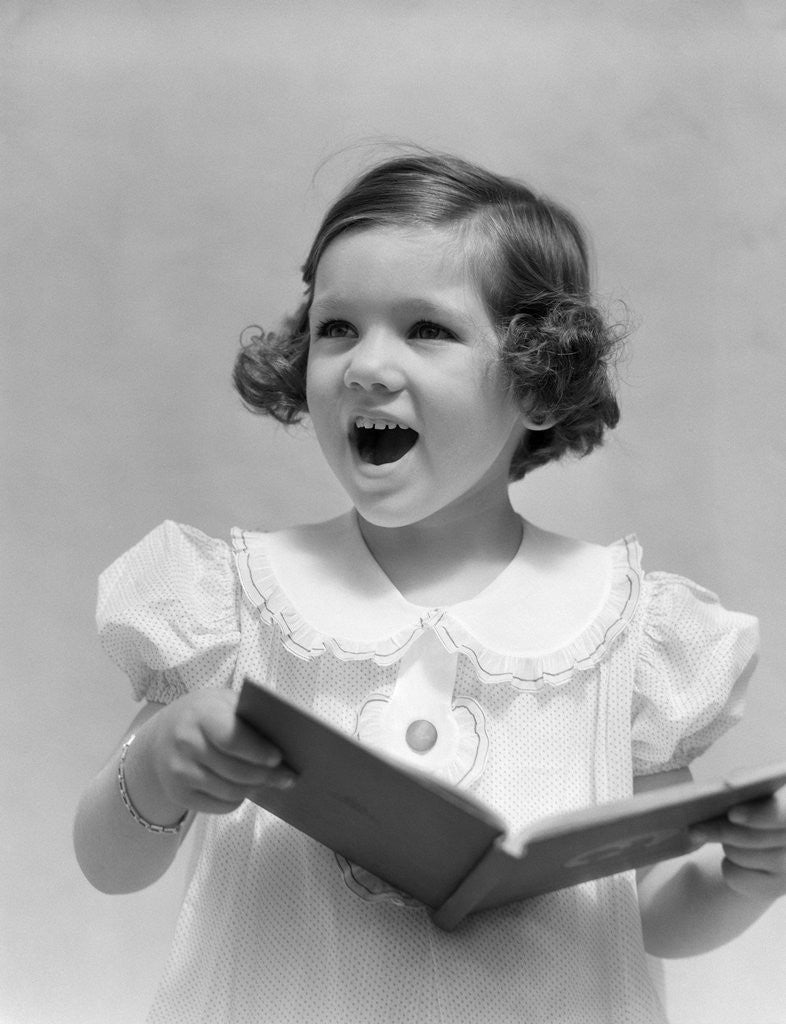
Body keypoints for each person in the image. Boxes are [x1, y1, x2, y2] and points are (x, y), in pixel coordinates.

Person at [74, 152, 786, 1024]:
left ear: (536, 378)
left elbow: (647, 911)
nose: (367, 367)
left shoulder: (627, 628)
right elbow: (109, 865)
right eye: (337, 327)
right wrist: (156, 766)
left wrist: (742, 877)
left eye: (426, 330)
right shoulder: (235, 601)